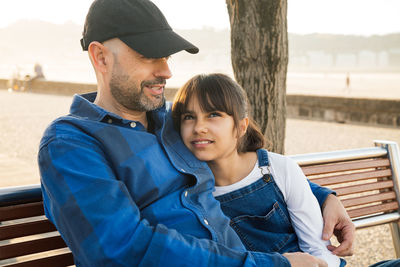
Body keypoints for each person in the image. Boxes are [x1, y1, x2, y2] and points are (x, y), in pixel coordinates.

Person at [38, 0, 355, 266]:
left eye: (167, 57)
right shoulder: (72, 144)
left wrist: (322, 197)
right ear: (101, 57)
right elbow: (123, 251)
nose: (166, 71)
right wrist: (274, 264)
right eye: (149, 56)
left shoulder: (174, 123)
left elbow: (234, 159)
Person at [172, 73, 346, 267]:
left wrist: (329, 197)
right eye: (189, 117)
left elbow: (318, 249)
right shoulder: (190, 194)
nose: (199, 127)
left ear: (241, 126)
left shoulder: (278, 169)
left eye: (213, 115)